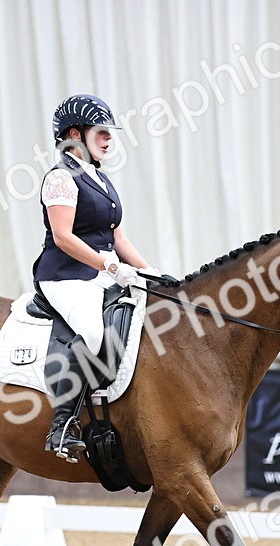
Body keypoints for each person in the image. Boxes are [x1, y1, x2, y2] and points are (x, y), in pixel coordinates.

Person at [33, 94, 170, 461]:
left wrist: (151, 274)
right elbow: (63, 237)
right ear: (75, 135)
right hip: (65, 276)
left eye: (111, 133)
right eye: (102, 132)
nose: (109, 139)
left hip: (100, 274)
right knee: (94, 333)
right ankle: (62, 426)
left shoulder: (102, 180)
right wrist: (109, 266)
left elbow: (119, 238)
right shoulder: (60, 179)